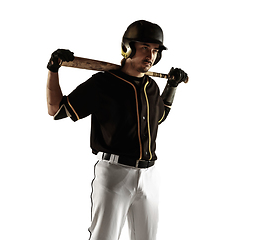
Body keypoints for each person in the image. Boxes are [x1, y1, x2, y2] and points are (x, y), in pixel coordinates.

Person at [46, 20, 188, 240]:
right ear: (127, 48)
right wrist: (53, 70)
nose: (150, 55)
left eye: (155, 50)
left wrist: (172, 86)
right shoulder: (103, 84)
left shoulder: (152, 87)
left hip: (150, 175)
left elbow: (158, 118)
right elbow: (56, 110)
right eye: (144, 48)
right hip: (115, 173)